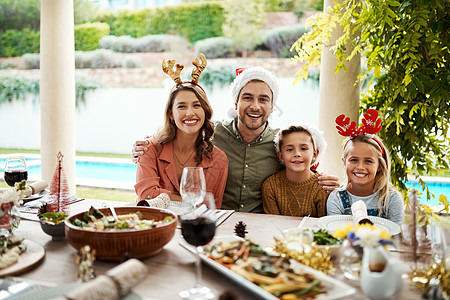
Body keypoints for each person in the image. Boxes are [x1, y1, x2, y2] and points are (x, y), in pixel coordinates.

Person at [133, 67, 340, 213]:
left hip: (260, 224)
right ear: (236, 102)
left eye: (263, 100)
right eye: (248, 98)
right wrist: (145, 146)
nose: (255, 106)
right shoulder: (214, 136)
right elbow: (183, 129)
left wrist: (322, 180)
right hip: (220, 222)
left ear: (272, 106)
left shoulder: (280, 142)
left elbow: (299, 160)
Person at [135, 54, 228, 208]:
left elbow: (211, 207)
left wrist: (164, 196)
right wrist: (191, 200)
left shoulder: (218, 159)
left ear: (205, 111)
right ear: (171, 114)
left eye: (196, 105)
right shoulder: (148, 149)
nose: (189, 113)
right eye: (182, 106)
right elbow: (146, 195)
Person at [326, 109, 404, 225]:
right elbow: (336, 232)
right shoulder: (336, 198)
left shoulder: (392, 199)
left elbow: (396, 234)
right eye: (353, 160)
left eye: (368, 161)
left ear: (379, 166)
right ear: (344, 162)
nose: (360, 167)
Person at [262, 124, 329, 217]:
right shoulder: (270, 186)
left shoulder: (323, 187)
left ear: (314, 154)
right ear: (281, 156)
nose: (297, 154)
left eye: (303, 148)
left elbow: (323, 226)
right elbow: (273, 223)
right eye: (289, 149)